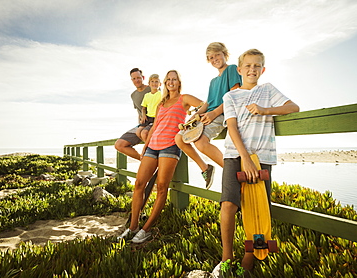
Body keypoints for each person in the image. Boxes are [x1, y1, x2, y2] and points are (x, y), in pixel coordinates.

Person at [212, 49, 299, 277]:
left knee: (258, 208)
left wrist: (265, 110)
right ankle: (226, 258)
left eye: (257, 66)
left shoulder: (267, 90)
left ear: (263, 69)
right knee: (228, 205)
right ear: (239, 70)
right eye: (248, 66)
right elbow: (231, 126)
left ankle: (248, 261)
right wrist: (245, 160)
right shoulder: (230, 97)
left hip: (263, 156)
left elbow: (293, 108)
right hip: (234, 154)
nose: (252, 69)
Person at [117, 70, 203, 243]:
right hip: (153, 146)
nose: (171, 82)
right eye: (168, 79)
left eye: (174, 79)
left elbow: (204, 105)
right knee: (139, 184)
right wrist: (145, 146)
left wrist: (191, 121)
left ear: (179, 82)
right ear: (165, 83)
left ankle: (146, 229)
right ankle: (133, 226)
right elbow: (155, 126)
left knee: (162, 188)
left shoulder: (184, 98)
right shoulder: (161, 103)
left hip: (170, 147)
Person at [175, 42, 241, 189]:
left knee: (200, 143)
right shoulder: (213, 81)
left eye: (217, 54)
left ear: (225, 54)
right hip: (207, 114)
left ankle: (233, 172)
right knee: (179, 138)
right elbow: (207, 103)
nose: (214, 59)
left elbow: (235, 97)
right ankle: (206, 168)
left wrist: (214, 113)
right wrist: (195, 115)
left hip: (221, 113)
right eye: (211, 57)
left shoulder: (231, 69)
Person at [114, 68, 151, 160]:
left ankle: (152, 160)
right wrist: (140, 125)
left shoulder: (152, 88)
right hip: (142, 125)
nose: (136, 80)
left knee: (144, 134)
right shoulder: (133, 95)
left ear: (143, 77)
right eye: (134, 79)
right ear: (131, 80)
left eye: (138, 78)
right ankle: (144, 161)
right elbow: (138, 112)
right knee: (119, 145)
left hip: (154, 123)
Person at [136, 74, 162, 142]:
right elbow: (143, 108)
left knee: (144, 133)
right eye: (152, 81)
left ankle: (149, 149)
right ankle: (149, 145)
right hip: (148, 118)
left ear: (160, 84)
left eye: (156, 81)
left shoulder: (161, 94)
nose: (154, 83)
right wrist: (143, 115)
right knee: (138, 132)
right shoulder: (147, 95)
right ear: (149, 84)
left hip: (156, 118)